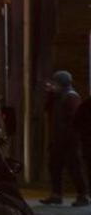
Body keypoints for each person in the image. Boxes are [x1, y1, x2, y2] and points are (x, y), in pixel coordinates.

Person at [42, 70, 89, 206]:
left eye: (55, 82)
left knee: (74, 168)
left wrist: (70, 138)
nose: (53, 85)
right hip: (57, 139)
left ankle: (83, 195)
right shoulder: (58, 96)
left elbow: (74, 120)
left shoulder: (71, 96)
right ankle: (56, 194)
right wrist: (50, 94)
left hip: (69, 141)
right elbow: (47, 110)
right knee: (54, 167)